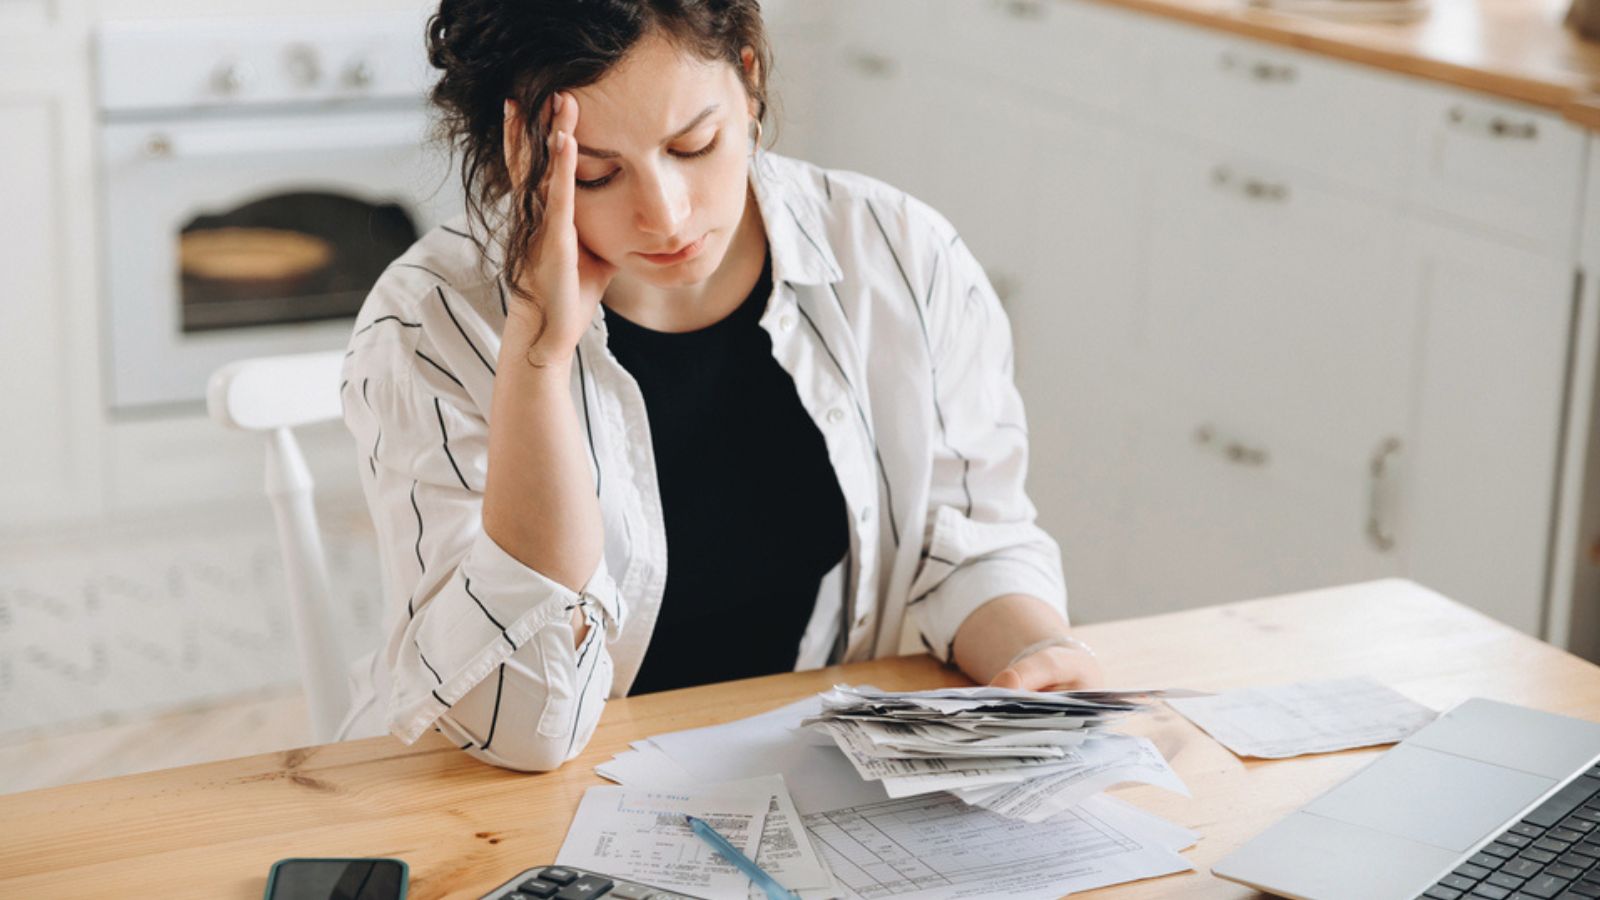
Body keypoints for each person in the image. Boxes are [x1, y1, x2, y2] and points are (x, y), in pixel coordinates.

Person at [336, 0, 1103, 771]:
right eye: (596, 174)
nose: (666, 216)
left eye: (693, 145)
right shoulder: (429, 325)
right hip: (495, 796)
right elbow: (520, 726)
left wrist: (1036, 652)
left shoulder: (900, 254)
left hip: (785, 769)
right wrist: (537, 358)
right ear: (518, 159)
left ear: (748, 79)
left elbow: (964, 543)